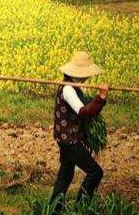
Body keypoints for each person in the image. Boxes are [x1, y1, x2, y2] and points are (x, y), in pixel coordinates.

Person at [49, 51, 109, 213]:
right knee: (95, 172)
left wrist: (98, 98)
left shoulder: (74, 87)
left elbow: (85, 107)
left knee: (66, 174)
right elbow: (83, 112)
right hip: (69, 141)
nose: (87, 78)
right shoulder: (68, 89)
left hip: (66, 138)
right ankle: (80, 208)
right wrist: (101, 98)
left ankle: (54, 210)